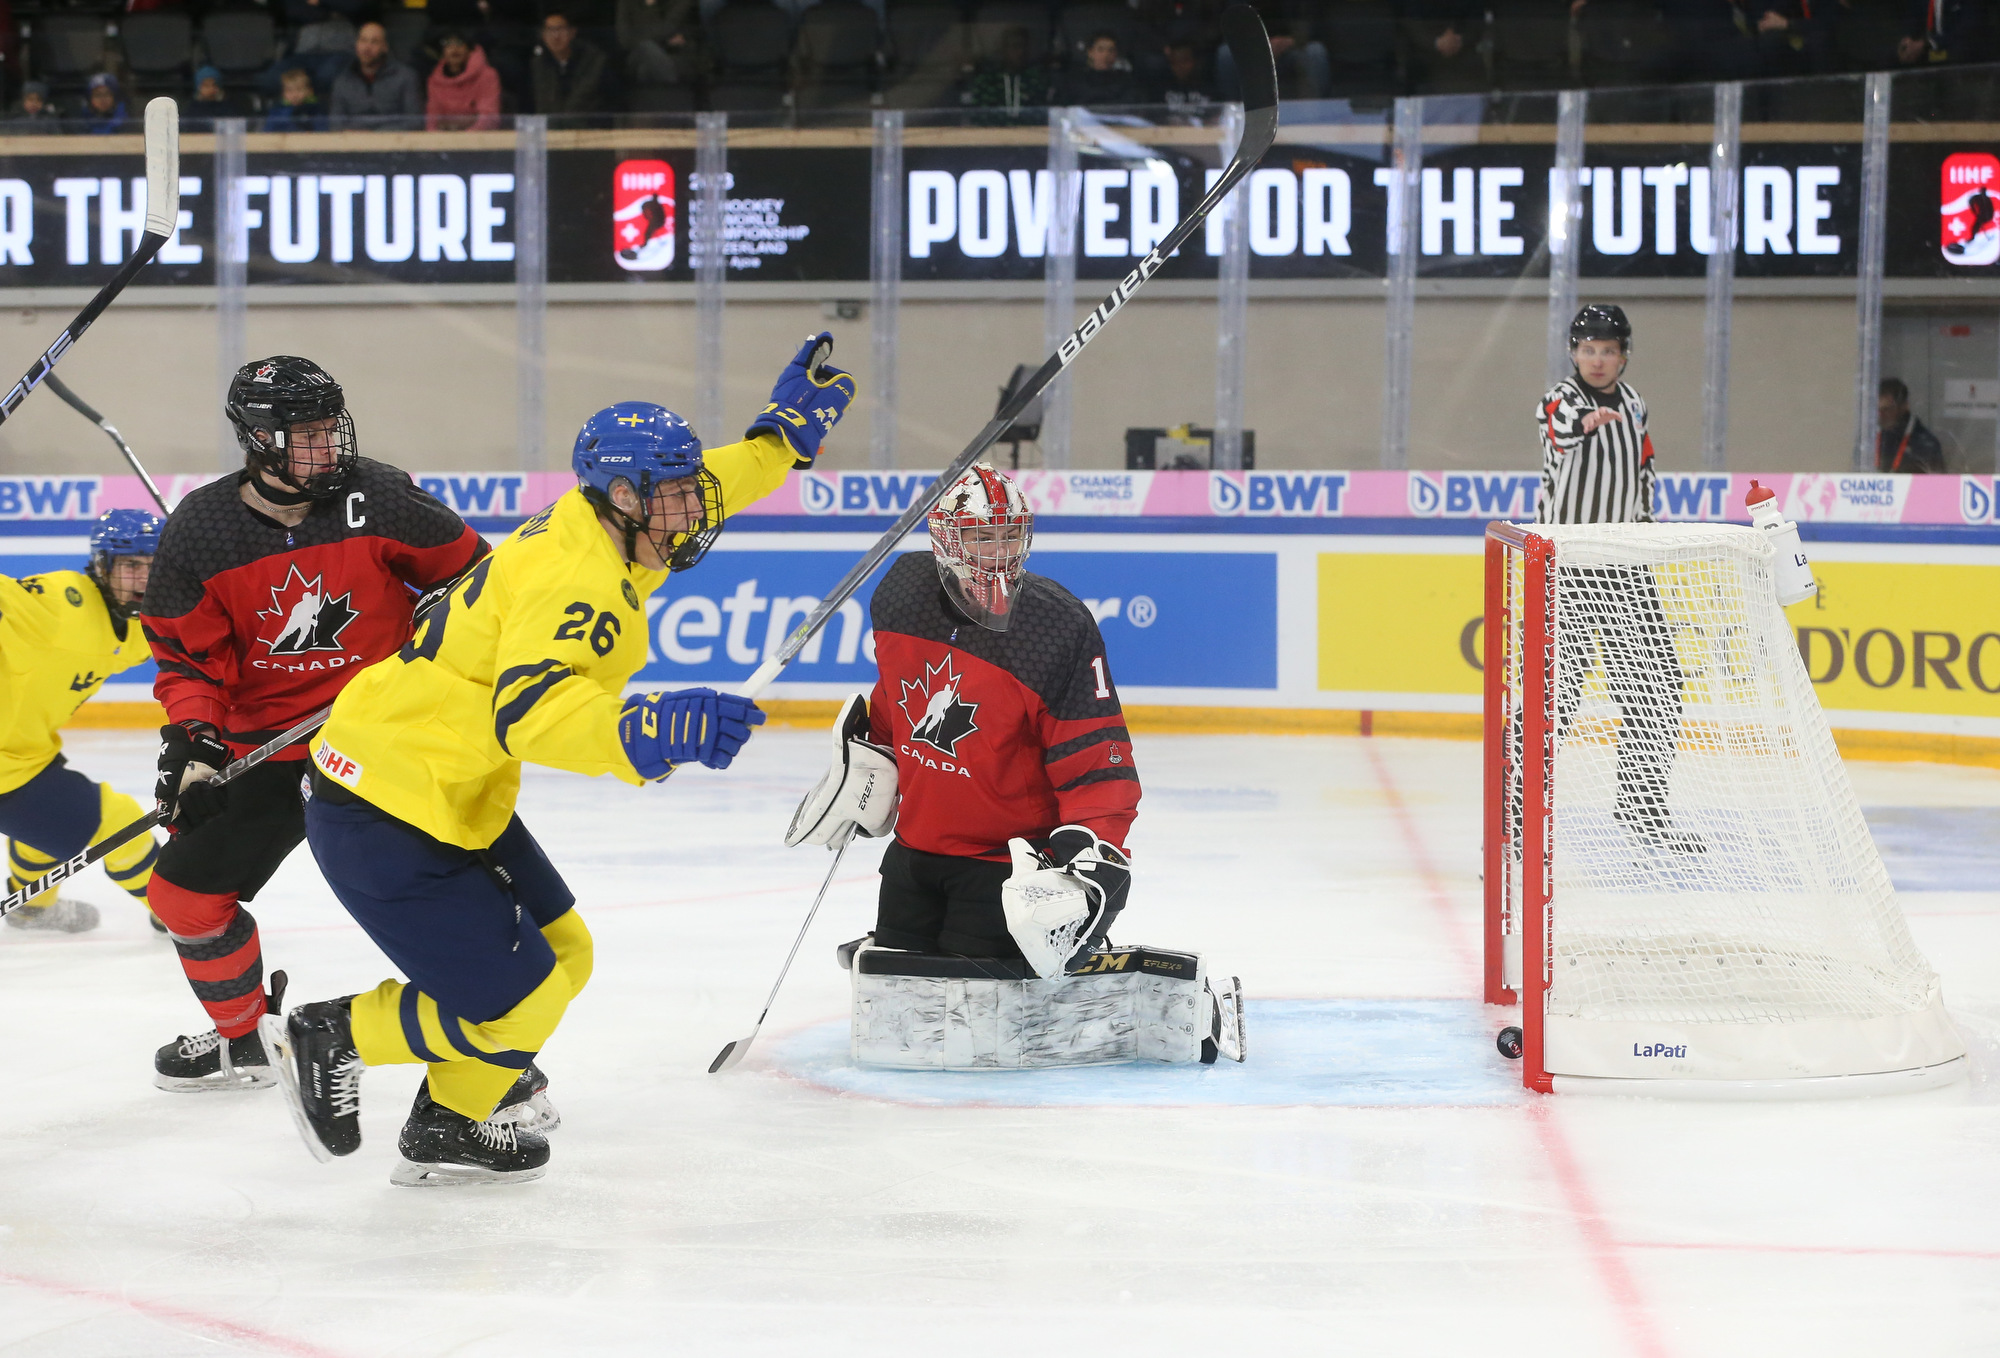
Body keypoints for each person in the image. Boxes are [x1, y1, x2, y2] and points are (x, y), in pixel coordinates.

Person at [268, 333, 857, 1187]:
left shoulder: (620, 521)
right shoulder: (574, 574)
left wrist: (778, 440)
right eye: (677, 499)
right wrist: (650, 730)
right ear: (623, 495)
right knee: (520, 998)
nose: (695, 513)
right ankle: (336, 1033)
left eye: (690, 493)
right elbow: (532, 717)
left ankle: (448, 1122)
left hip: (443, 783)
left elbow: (710, 479)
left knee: (564, 953)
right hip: (382, 801)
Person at [803, 464, 1243, 1068]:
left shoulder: (1053, 628)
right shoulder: (900, 593)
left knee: (982, 1028)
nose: (998, 552)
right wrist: (870, 761)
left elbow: (1099, 759)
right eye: (981, 537)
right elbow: (895, 695)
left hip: (1001, 867)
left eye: (1009, 535)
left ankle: (1167, 1001)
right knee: (898, 1016)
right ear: (944, 540)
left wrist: (1092, 853)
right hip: (915, 851)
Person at [140, 356, 489, 1094]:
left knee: (433, 903)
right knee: (182, 898)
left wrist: (441, 644)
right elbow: (184, 660)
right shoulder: (201, 531)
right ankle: (244, 1043)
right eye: (306, 433)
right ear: (258, 440)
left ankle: (499, 1065)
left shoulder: (382, 497)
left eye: (331, 428)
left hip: (380, 735)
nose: (328, 445)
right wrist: (195, 746)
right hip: (266, 742)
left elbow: (476, 581)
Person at [1532, 304, 1699, 854]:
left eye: (1607, 350)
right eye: (1587, 349)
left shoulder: (1634, 404)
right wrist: (1582, 427)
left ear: (1624, 355)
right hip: (1569, 568)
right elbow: (1558, 433)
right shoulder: (1562, 398)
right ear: (1573, 353)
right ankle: (1515, 820)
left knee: (1659, 684)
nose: (1597, 360)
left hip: (1625, 566)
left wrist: (1646, 537)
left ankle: (1642, 807)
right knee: (1554, 696)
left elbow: (1644, 473)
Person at [0, 511, 165, 935]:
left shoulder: (139, 626)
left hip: (25, 756)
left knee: (50, 819)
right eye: (130, 566)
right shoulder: (60, 601)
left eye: (153, 565)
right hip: (5, 768)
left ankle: (31, 907)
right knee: (121, 819)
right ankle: (182, 914)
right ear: (101, 565)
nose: (143, 579)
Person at [329, 21, 425, 130]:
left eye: (374, 42)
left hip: (394, 144)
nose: (367, 47)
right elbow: (335, 125)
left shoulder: (406, 77)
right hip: (354, 144)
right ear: (356, 44)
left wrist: (376, 136)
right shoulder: (342, 81)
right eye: (363, 40)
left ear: (385, 47)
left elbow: (415, 122)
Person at [531, 11, 616, 116]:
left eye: (560, 29)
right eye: (550, 30)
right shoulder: (538, 65)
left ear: (572, 32)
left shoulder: (593, 61)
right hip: (551, 128)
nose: (556, 36)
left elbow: (586, 99)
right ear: (543, 35)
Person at [959, 25, 1054, 119]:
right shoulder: (988, 81)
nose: (1021, 52)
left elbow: (1045, 115)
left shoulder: (1037, 80)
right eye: (1015, 46)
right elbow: (976, 115)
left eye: (1024, 46)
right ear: (1004, 49)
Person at [427, 30, 503, 130]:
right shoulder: (434, 80)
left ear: (469, 50)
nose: (454, 49)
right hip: (445, 140)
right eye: (448, 45)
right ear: (442, 53)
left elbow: (489, 117)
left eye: (460, 44)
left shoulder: (487, 75)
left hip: (479, 140)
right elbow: (433, 119)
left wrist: (465, 140)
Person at [616, 0, 699, 88]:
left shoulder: (675, 3)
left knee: (645, 70)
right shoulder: (626, 2)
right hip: (636, 55)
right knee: (647, 47)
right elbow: (625, 39)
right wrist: (665, 40)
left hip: (669, 55)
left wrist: (642, 35)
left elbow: (670, 27)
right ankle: (672, 92)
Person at [1877, 377, 1948, 473]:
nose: (1881, 415)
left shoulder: (1925, 443)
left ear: (1904, 406)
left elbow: (1937, 484)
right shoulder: (1870, 439)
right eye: (1877, 410)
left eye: (1887, 409)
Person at [1054, 30, 1143, 105]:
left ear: (1116, 54)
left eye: (1111, 50)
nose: (1106, 55)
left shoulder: (1126, 79)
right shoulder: (1075, 79)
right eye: (1100, 49)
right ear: (1090, 52)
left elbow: (1131, 103)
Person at [262, 67, 328, 133]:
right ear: (283, 93)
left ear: (309, 91)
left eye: (299, 90)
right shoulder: (276, 112)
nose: (294, 95)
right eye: (289, 90)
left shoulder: (316, 111)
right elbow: (267, 133)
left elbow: (322, 132)